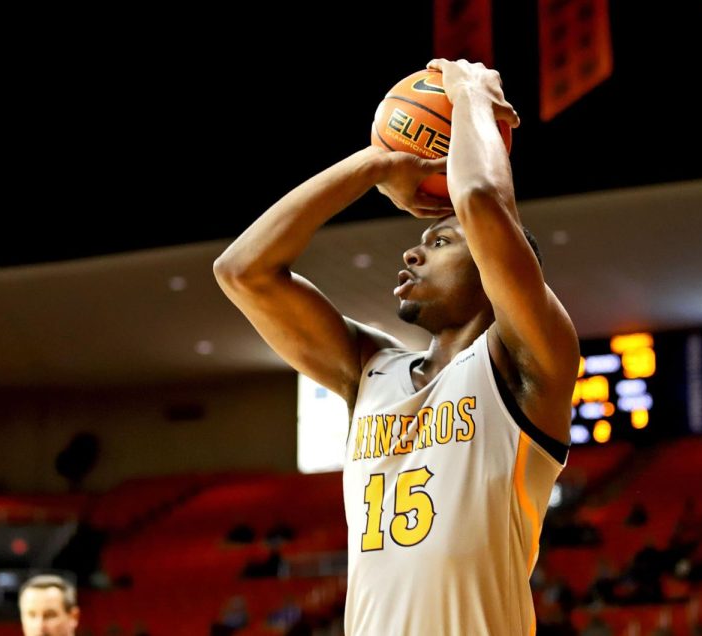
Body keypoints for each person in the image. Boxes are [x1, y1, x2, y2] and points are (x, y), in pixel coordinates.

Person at [214, 58, 579, 635]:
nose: (413, 253)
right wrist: (376, 162)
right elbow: (241, 271)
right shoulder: (370, 370)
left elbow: (482, 198)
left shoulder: (527, 365)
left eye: (441, 241)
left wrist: (472, 94)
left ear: (495, 269)